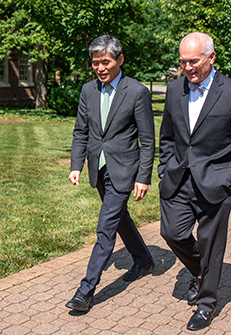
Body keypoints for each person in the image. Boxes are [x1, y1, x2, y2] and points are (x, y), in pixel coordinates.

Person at [157, 32, 231, 331]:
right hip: (178, 178)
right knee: (172, 233)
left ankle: (206, 303)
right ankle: (201, 272)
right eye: (183, 62)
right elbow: (168, 135)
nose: (187, 68)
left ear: (211, 58)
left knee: (210, 244)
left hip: (217, 182)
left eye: (194, 61)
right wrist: (164, 166)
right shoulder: (174, 90)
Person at [66, 35, 155, 312]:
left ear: (119, 60)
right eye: (95, 63)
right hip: (99, 168)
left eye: (105, 62)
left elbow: (147, 139)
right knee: (119, 218)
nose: (100, 68)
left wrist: (143, 176)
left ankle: (86, 290)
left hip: (125, 169)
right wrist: (76, 165)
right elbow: (81, 130)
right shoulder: (88, 90)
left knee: (105, 228)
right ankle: (142, 258)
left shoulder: (137, 91)